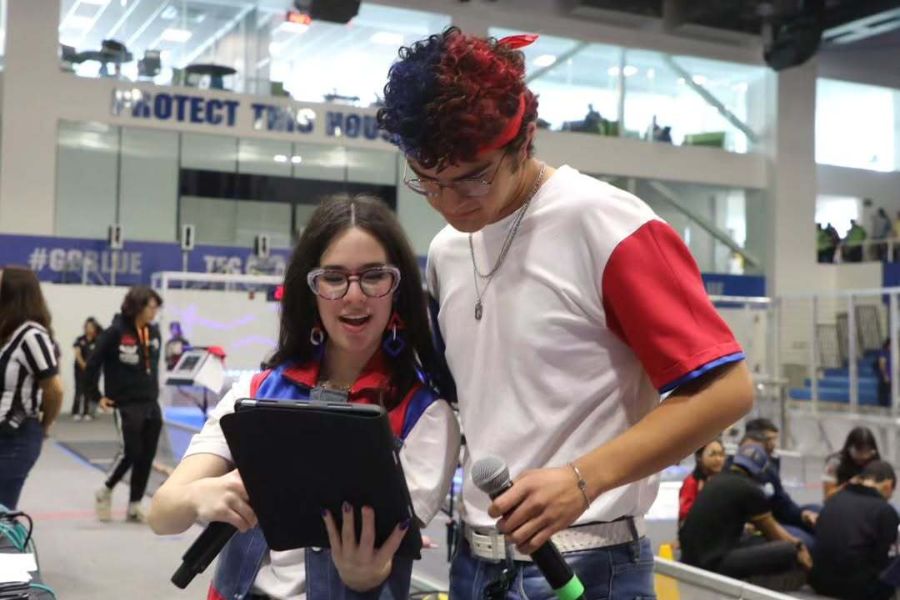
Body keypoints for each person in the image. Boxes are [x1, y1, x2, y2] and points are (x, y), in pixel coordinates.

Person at [377, 27, 754, 598]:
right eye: (427, 182)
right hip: (474, 563)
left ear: (523, 141)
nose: (449, 203)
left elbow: (728, 390)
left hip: (588, 564)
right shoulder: (448, 252)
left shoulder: (608, 224)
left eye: (473, 178)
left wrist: (583, 480)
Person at [148, 195, 460, 600]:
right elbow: (162, 514)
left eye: (373, 276)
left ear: (397, 289)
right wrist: (197, 496)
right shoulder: (256, 393)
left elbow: (385, 558)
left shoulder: (424, 416)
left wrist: (363, 575)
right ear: (310, 289)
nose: (354, 295)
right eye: (334, 278)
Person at [679, 441, 812, 587]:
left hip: (689, 559)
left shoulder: (717, 479)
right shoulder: (750, 490)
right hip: (712, 564)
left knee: (755, 539)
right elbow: (774, 533)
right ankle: (753, 585)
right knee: (788, 550)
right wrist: (798, 546)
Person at [84, 286, 164, 523]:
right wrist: (96, 395)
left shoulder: (154, 332)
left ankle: (135, 504)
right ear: (138, 306)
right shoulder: (115, 332)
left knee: (147, 455)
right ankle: (105, 490)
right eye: (152, 307)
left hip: (150, 402)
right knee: (131, 451)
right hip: (126, 404)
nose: (155, 312)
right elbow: (93, 364)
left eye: (157, 308)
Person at [0, 266, 63, 509]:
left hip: (15, 436)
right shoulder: (8, 332)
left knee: (2, 515)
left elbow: (54, 389)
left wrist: (44, 424)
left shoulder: (31, 335)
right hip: (6, 434)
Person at [810, 460, 899, 600]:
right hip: (859, 590)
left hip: (820, 582)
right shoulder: (885, 511)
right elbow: (884, 561)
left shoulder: (834, 499)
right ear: (888, 485)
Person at [743, 418, 818, 550]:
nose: (774, 445)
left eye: (774, 439)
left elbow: (781, 500)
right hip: (761, 523)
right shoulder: (740, 469)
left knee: (819, 513)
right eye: (769, 440)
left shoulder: (770, 466)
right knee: (806, 541)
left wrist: (803, 515)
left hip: (777, 514)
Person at [823, 426, 881, 500]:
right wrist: (848, 486)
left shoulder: (876, 464)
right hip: (841, 502)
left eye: (867, 452)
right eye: (858, 452)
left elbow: (883, 497)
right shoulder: (834, 463)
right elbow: (827, 497)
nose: (863, 457)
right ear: (849, 448)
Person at [678, 439, 725, 525]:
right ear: (699, 457)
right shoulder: (691, 482)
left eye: (721, 454)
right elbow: (685, 513)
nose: (718, 459)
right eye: (712, 454)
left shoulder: (725, 481)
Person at [71, 317, 102, 421]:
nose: (88, 328)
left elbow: (99, 354)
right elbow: (77, 353)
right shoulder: (80, 339)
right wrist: (83, 365)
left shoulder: (98, 340)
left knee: (89, 391)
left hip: (93, 370)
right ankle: (76, 412)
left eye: (91, 327)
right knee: (79, 390)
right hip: (80, 369)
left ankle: (87, 412)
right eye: (87, 326)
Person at [877, 338, 891, 408]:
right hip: (886, 378)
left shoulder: (893, 353)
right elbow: (882, 365)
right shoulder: (884, 352)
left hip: (893, 378)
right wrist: (885, 376)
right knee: (885, 396)